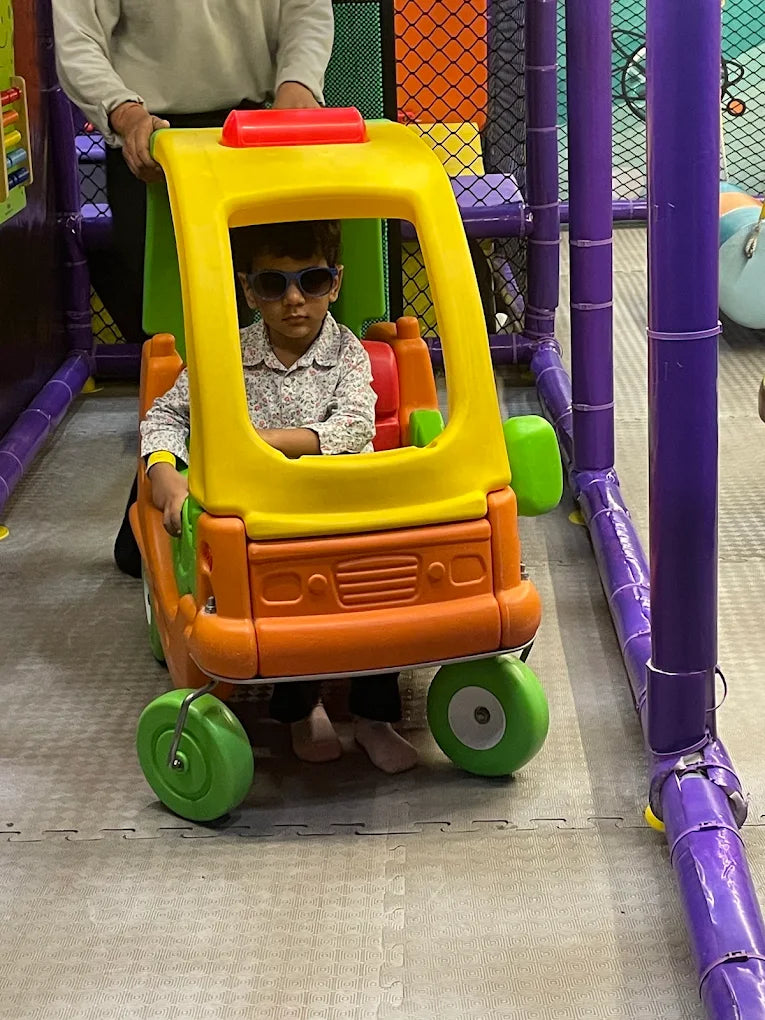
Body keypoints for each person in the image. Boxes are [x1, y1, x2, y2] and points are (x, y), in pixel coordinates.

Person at [51, 0, 334, 577]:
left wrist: (299, 84)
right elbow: (77, 37)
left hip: (259, 131)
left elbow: (307, 9)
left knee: (282, 321)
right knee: (178, 344)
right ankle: (171, 501)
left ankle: (290, 500)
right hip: (153, 146)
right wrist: (125, 114)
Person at [140, 219, 419, 776]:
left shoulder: (349, 355)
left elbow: (353, 428)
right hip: (263, 521)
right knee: (282, 600)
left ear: (335, 284)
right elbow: (165, 416)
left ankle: (372, 716)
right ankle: (299, 708)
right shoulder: (224, 356)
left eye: (311, 281)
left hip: (342, 512)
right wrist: (165, 472)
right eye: (274, 285)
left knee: (377, 591)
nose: (294, 300)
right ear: (249, 290)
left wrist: (251, 441)